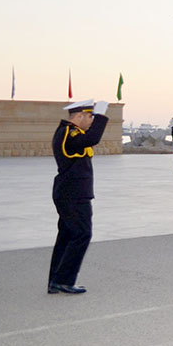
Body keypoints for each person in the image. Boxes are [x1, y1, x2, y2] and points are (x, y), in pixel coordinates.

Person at [48, 99, 109, 294]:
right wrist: (101, 117)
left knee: (67, 236)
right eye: (90, 116)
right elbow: (92, 139)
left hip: (71, 192)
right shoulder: (69, 132)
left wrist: (97, 118)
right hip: (73, 194)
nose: (91, 120)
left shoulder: (70, 132)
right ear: (79, 116)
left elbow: (88, 139)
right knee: (82, 234)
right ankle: (64, 280)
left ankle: (56, 280)